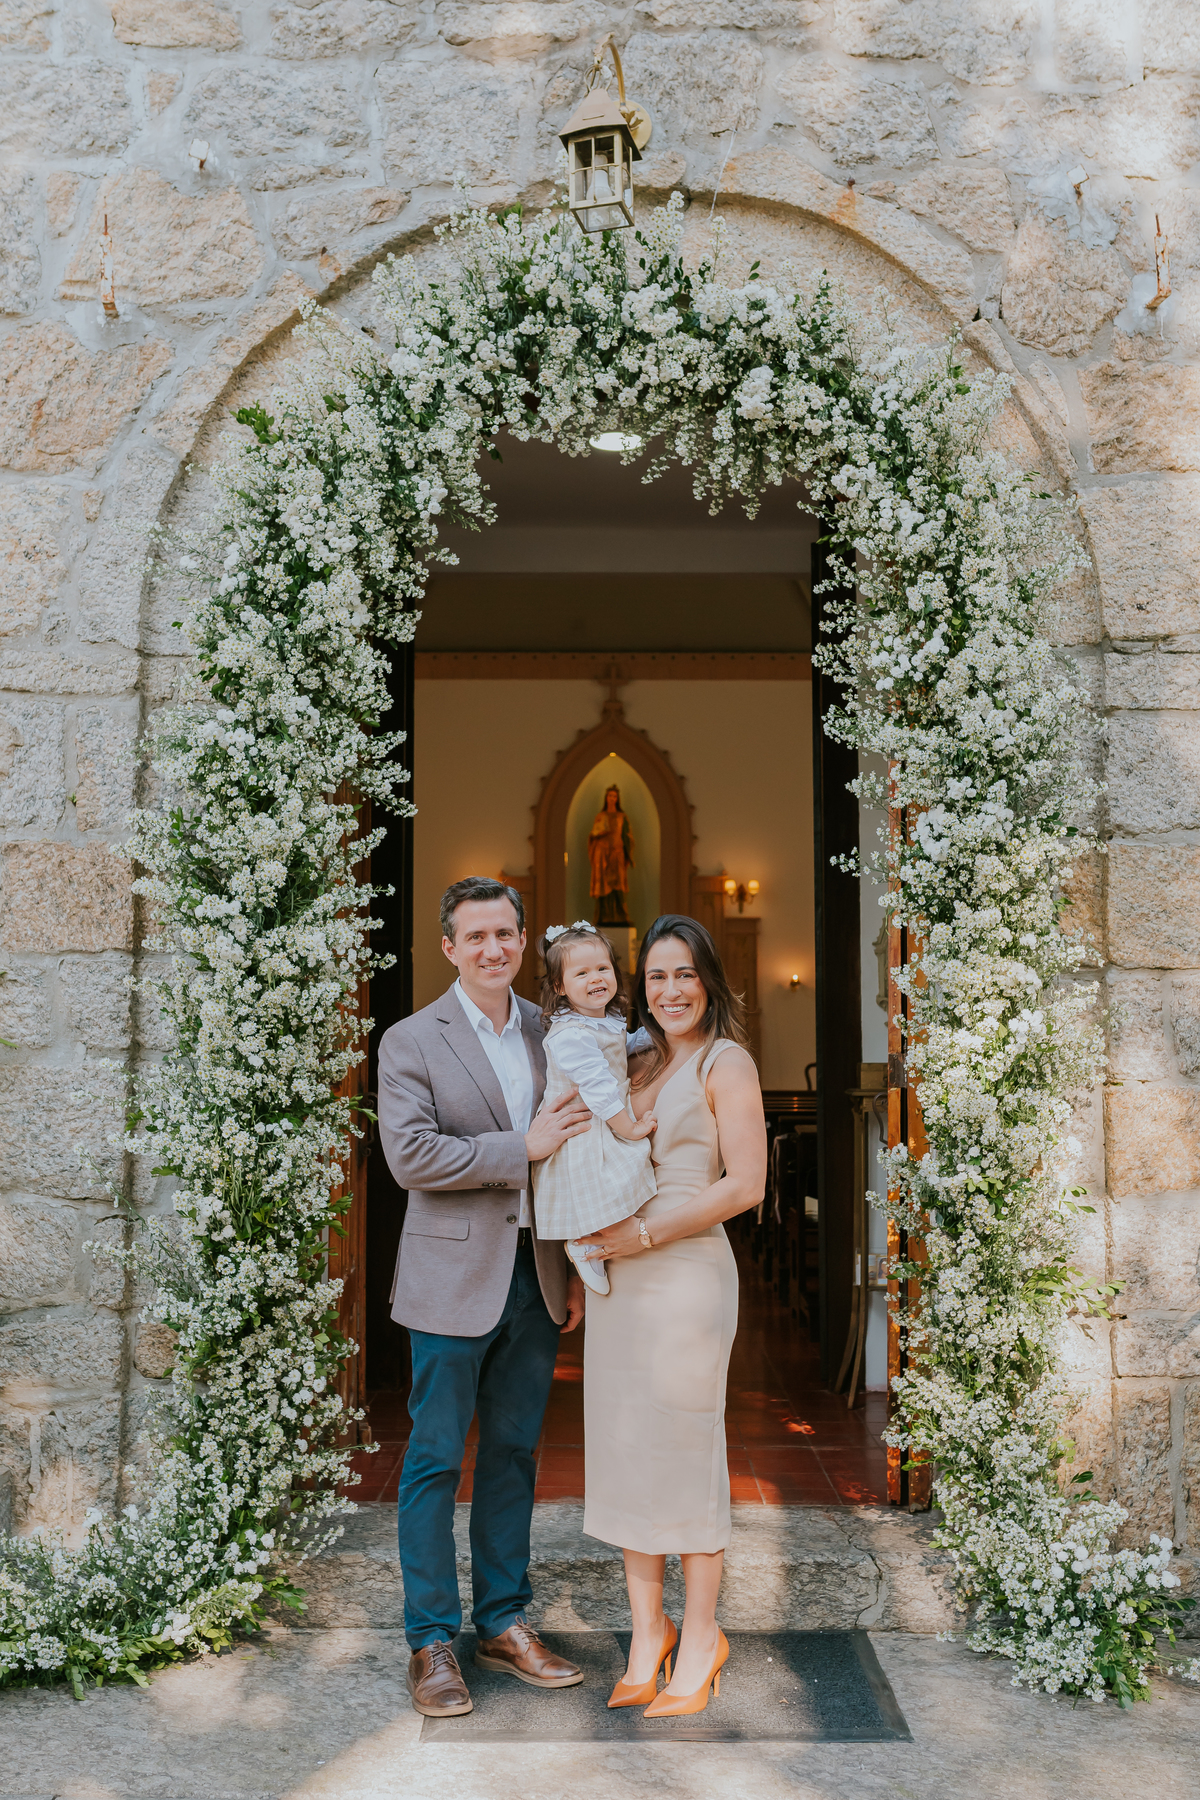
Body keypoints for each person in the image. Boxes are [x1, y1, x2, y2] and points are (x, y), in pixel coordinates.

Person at [377, 876, 593, 1719]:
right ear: (450, 947)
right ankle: (431, 1641)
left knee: (513, 1454)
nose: (493, 948)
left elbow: (579, 1149)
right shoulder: (410, 1040)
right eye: (476, 936)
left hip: (536, 1277)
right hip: (447, 1281)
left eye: (505, 933)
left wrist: (572, 1266)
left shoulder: (553, 1030)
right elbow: (411, 1157)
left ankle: (503, 1621)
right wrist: (520, 1147)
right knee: (434, 1459)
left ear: (523, 939)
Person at [578, 914, 767, 1718]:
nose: (670, 990)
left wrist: (646, 1233)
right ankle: (647, 1632)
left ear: (709, 980)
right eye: (656, 976)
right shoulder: (632, 1061)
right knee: (626, 1449)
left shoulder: (727, 1062)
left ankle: (701, 1636)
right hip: (619, 1280)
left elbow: (745, 1185)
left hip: (686, 1274)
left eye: (684, 973)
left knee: (686, 1449)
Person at [530, 919, 657, 1296]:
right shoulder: (571, 1034)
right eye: (581, 973)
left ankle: (595, 1241)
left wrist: (656, 1034)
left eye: (603, 968)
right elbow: (599, 1089)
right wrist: (629, 1128)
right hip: (584, 1127)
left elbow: (620, 1047)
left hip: (600, 1119)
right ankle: (583, 1243)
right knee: (609, 1180)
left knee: (621, 1179)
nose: (596, 978)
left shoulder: (604, 1020)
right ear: (559, 986)